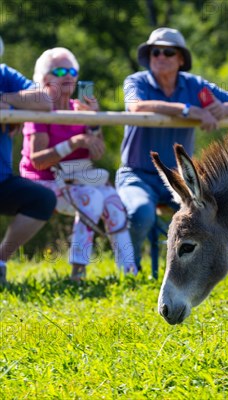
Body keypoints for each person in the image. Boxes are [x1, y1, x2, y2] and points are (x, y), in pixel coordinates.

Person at [117, 27, 228, 270]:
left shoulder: (195, 86)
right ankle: (129, 272)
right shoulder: (135, 81)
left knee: (207, 217)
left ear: (181, 59)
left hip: (179, 180)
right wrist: (185, 110)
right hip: (136, 174)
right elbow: (135, 107)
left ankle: (198, 273)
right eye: (154, 52)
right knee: (140, 214)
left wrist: (223, 110)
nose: (159, 57)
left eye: (167, 52)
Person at [20, 47, 137, 281]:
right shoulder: (40, 111)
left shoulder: (79, 109)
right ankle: (78, 271)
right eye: (60, 71)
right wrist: (74, 142)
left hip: (77, 177)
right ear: (44, 79)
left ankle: (130, 271)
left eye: (72, 71)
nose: (68, 76)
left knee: (114, 201)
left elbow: (97, 151)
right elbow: (38, 161)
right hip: (43, 181)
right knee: (91, 198)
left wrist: (93, 121)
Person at [0, 35, 55, 284]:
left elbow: (44, 100)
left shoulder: (3, 75)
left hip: (2, 181)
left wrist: (6, 100)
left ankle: (0, 260)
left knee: (42, 199)